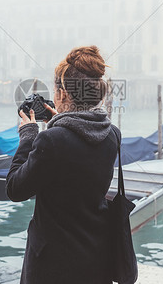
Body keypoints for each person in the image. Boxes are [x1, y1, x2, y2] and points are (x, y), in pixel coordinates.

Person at [6, 45, 119, 284]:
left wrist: (28, 134)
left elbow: (15, 188)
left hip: (52, 266)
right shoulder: (112, 135)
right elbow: (78, 137)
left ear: (64, 94)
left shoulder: (52, 140)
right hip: (96, 258)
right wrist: (60, 119)